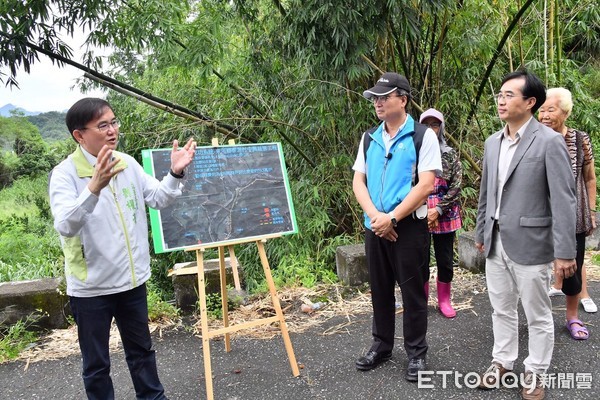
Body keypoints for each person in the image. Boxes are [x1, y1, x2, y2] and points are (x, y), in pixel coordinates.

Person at [48, 98, 196, 399]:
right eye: (103, 125)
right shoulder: (65, 174)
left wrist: (175, 173)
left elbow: (158, 198)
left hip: (132, 281)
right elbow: (65, 224)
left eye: (114, 122)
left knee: (142, 353)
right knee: (97, 365)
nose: (112, 130)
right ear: (79, 135)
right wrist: (93, 188)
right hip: (91, 290)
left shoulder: (126, 162)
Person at [475, 71, 576, 400]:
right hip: (496, 241)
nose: (501, 101)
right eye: (499, 95)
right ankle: (502, 360)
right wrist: (481, 231)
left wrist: (565, 252)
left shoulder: (549, 142)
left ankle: (536, 371)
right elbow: (486, 193)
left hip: (532, 243)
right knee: (501, 307)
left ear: (530, 102)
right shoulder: (493, 142)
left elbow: (563, 200)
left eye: (509, 95)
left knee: (537, 312)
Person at [352, 72, 442, 381]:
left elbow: (426, 184)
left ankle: (416, 353)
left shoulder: (422, 136)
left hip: (409, 229)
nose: (377, 102)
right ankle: (382, 346)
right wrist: (377, 218)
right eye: (375, 98)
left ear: (402, 100)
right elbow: (358, 181)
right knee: (380, 289)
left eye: (383, 97)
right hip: (375, 226)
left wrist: (392, 218)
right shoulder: (369, 137)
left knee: (413, 292)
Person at [538, 87, 597, 339]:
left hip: (574, 215)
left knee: (573, 266)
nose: (544, 115)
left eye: (550, 109)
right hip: (539, 214)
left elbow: (590, 178)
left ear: (565, 111)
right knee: (534, 269)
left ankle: (572, 317)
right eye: (541, 110)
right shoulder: (533, 137)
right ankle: (537, 319)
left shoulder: (580, 139)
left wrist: (591, 211)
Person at [419, 108, 462, 318]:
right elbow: (409, 185)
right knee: (420, 259)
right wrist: (424, 208)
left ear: (441, 128)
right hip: (419, 212)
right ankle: (421, 300)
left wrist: (437, 209)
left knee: (444, 259)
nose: (430, 129)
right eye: (425, 125)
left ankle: (444, 300)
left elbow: (457, 186)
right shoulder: (413, 152)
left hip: (445, 212)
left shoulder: (449, 154)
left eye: (434, 125)